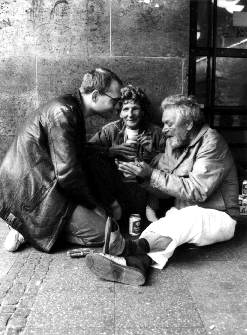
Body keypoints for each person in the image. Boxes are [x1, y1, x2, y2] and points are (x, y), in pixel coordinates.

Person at [85, 94, 239, 286]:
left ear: (189, 124)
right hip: (182, 213)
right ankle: (135, 263)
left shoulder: (212, 142)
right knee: (160, 228)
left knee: (189, 216)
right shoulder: (174, 143)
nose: (164, 130)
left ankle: (126, 248)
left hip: (219, 216)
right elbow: (166, 191)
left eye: (169, 124)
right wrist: (144, 177)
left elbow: (198, 191)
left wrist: (153, 174)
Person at [0, 68, 122, 253]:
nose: (117, 106)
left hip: (41, 183)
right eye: (115, 100)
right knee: (105, 233)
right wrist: (94, 206)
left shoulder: (69, 107)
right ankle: (26, 227)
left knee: (105, 222)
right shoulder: (64, 112)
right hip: (33, 192)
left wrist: (108, 151)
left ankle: (31, 226)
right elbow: (68, 173)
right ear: (96, 95)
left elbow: (71, 153)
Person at [86, 84, 165, 222]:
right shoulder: (110, 130)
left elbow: (173, 161)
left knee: (162, 159)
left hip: (145, 189)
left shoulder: (156, 132)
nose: (130, 114)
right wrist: (109, 151)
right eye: (126, 109)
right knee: (92, 161)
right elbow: (86, 149)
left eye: (135, 109)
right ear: (120, 112)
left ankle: (151, 208)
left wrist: (152, 152)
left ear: (142, 112)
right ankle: (113, 205)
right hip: (117, 188)